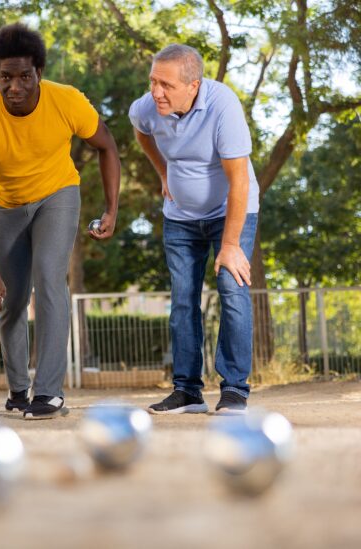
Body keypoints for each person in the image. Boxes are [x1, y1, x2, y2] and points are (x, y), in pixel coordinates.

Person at [0, 24, 121, 420]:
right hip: (8, 204)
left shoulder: (67, 101)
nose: (15, 86)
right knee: (10, 298)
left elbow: (106, 146)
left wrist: (112, 209)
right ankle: (18, 388)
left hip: (58, 195)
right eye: (5, 77)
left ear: (39, 74)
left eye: (24, 76)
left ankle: (49, 392)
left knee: (50, 279)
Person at [129, 44, 259, 415]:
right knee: (183, 299)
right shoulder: (148, 107)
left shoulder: (223, 107)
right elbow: (141, 132)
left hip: (230, 211)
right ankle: (187, 391)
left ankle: (234, 389)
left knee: (232, 290)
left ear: (193, 85)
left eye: (166, 85)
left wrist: (231, 244)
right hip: (179, 216)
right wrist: (163, 172)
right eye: (153, 81)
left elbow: (239, 182)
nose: (156, 92)